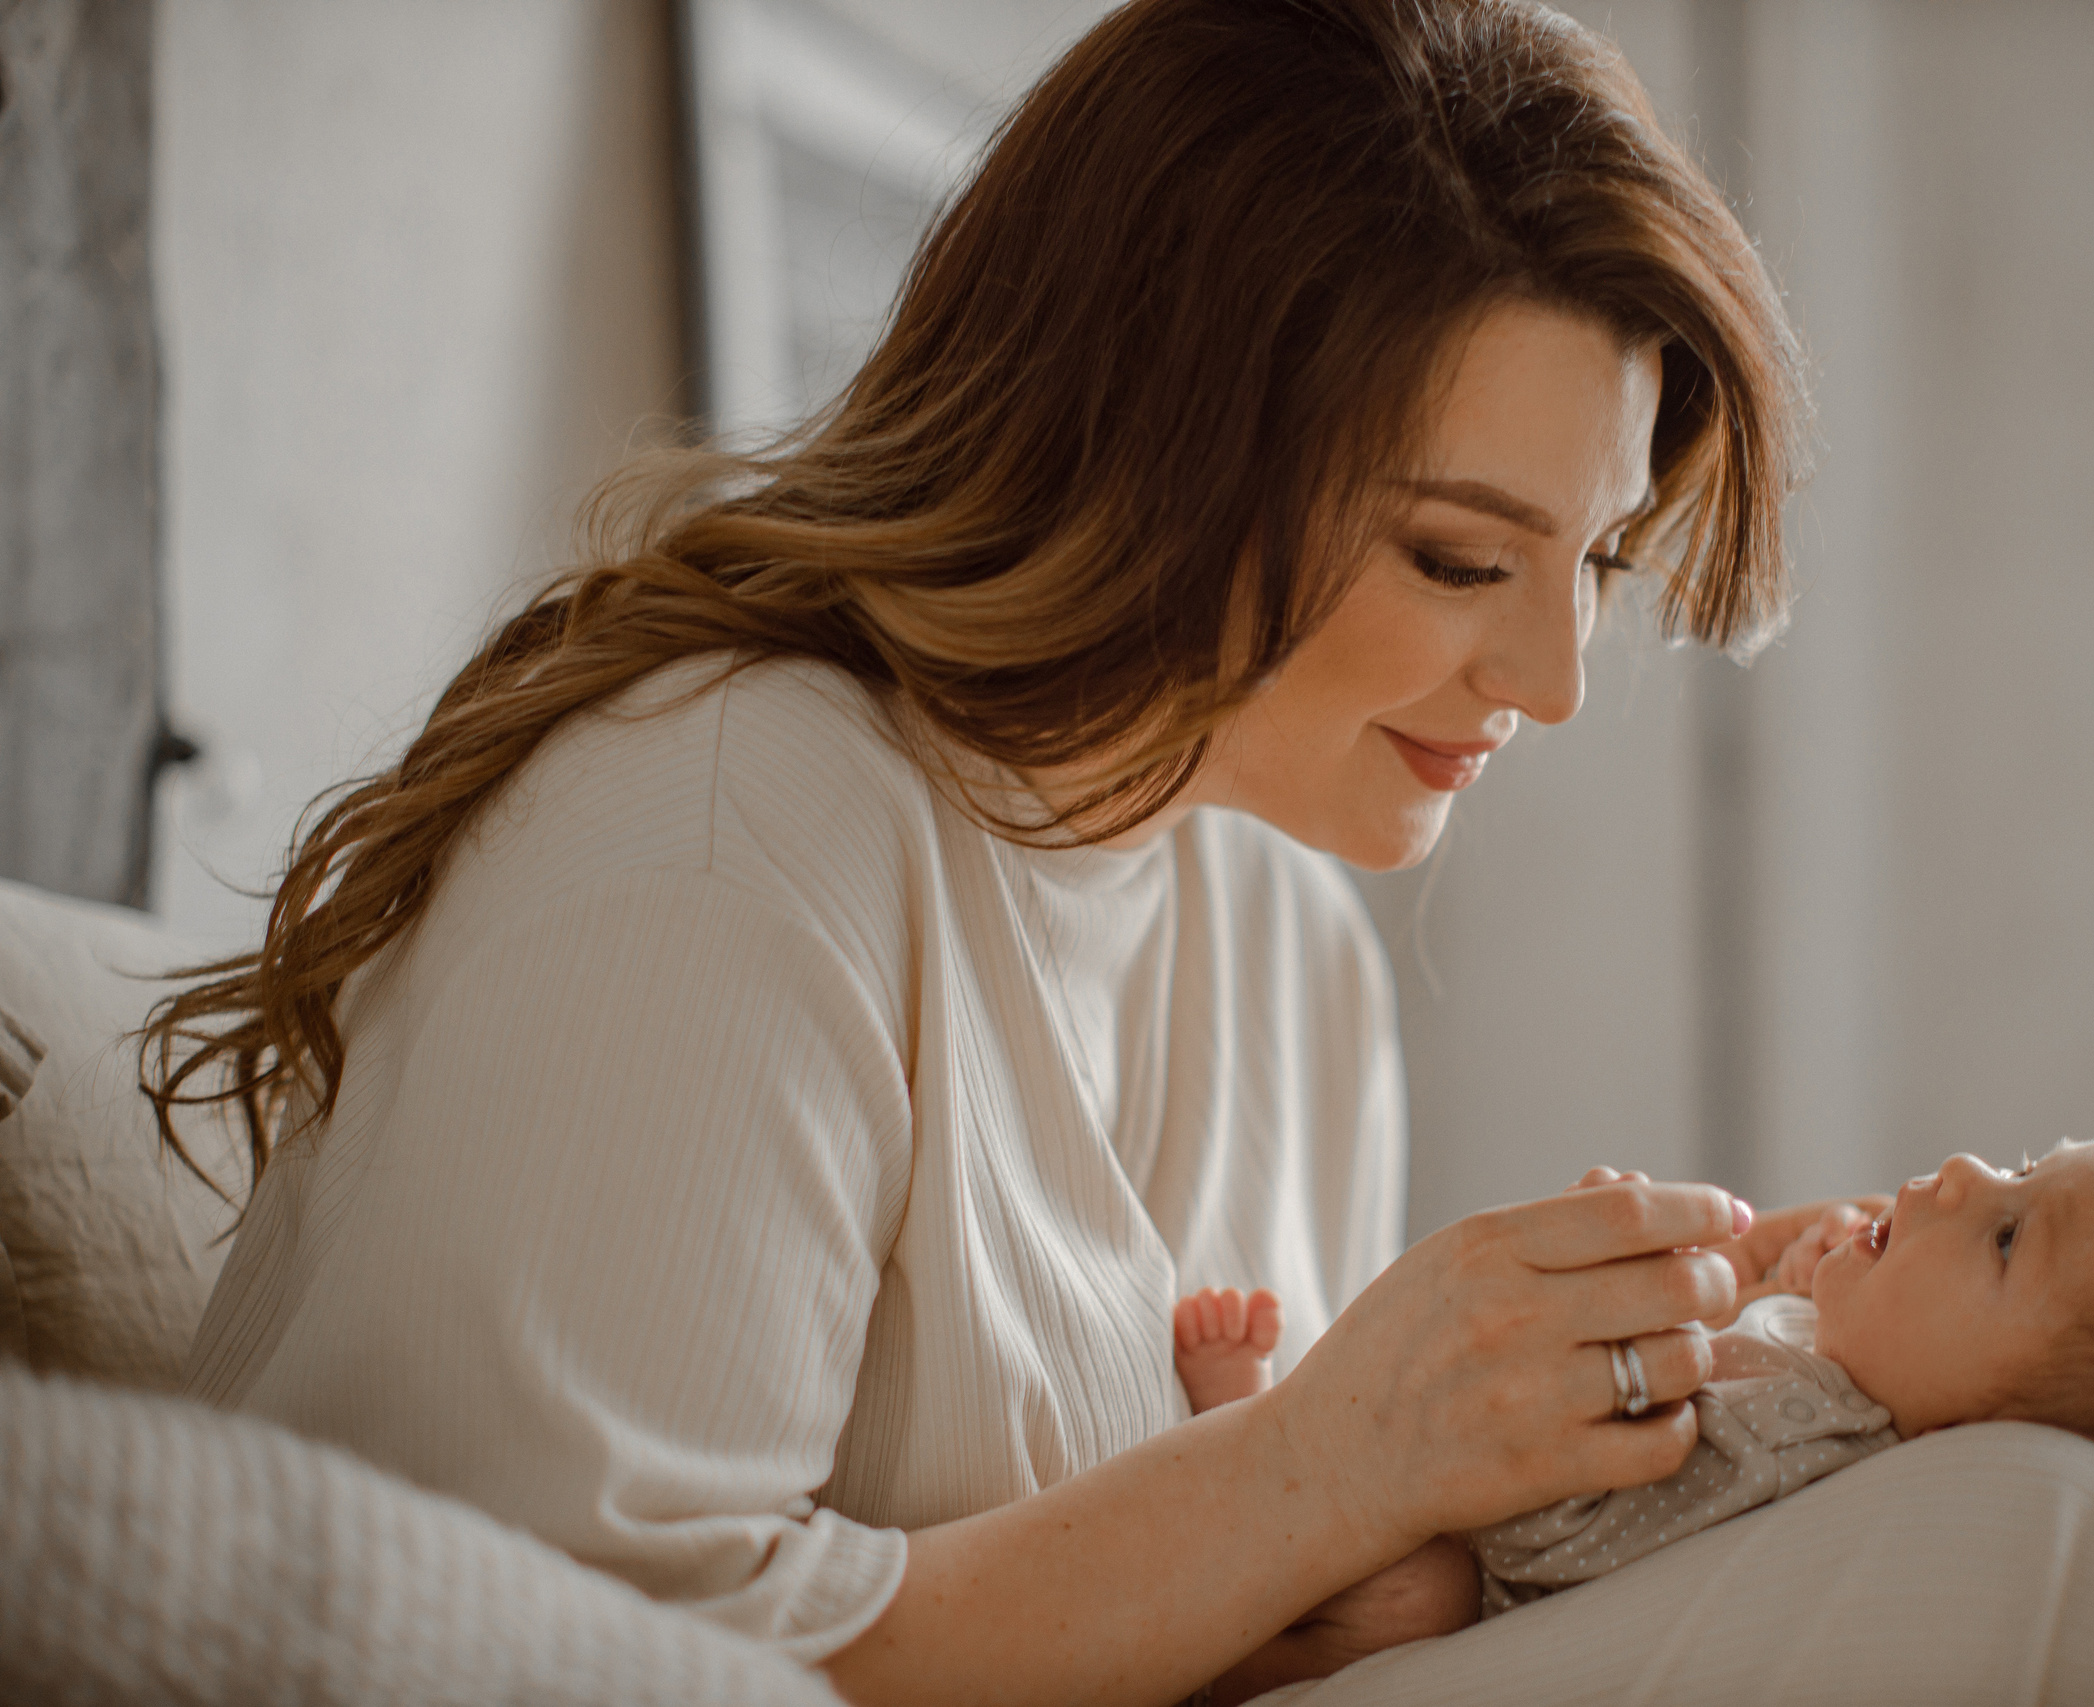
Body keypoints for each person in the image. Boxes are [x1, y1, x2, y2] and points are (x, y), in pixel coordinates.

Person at [143, 3, 1864, 1702]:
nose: (1554, 687)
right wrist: (1326, 1469)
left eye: (1601, 566)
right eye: (1458, 560)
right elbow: (551, 1649)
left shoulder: (1290, 949)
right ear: (1159, 449)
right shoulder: (727, 828)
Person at [1174, 1140, 2094, 1648]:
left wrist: (1644, 1298)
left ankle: (1237, 1505)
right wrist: (1780, 1281)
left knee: (1405, 1597)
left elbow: (1593, 1517)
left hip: (1496, 1550)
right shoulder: (1836, 1367)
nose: (1961, 1174)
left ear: (1993, 1444)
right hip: (1474, 1471)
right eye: (2023, 1162)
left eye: (2005, 1236)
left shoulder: (1820, 1445)